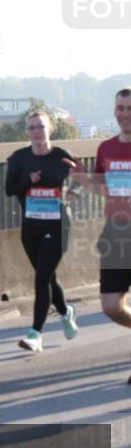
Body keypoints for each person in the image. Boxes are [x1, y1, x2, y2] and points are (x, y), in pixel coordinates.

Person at [4, 111, 81, 351]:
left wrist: (73, 192)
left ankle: (35, 333)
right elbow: (9, 189)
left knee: (41, 279)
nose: (36, 132)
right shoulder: (18, 159)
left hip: (58, 225)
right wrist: (29, 180)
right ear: (27, 133)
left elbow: (81, 175)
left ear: (50, 130)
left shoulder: (62, 156)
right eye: (31, 128)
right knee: (47, 276)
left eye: (41, 127)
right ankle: (66, 311)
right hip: (31, 227)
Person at [75, 87, 131, 383]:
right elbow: (102, 189)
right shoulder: (106, 148)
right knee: (111, 306)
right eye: (120, 108)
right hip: (117, 232)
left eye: (129, 109)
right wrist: (85, 180)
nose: (124, 114)